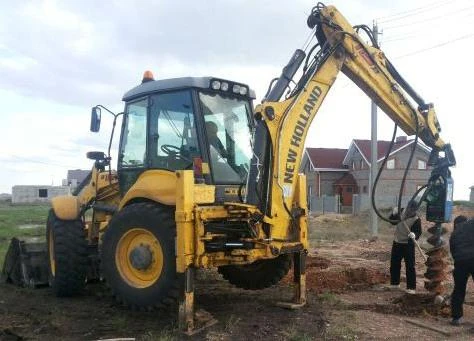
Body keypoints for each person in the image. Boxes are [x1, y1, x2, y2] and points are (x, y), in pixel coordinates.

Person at [388, 207, 422, 294]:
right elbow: (392, 222)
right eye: (409, 209)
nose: (409, 212)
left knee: (410, 266)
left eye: (412, 210)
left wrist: (414, 234)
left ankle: (411, 287)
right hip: (397, 242)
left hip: (408, 245)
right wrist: (394, 214)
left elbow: (418, 232)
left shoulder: (416, 219)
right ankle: (394, 283)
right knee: (394, 264)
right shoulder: (401, 212)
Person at [449, 215, 473, 326]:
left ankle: (456, 318)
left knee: (458, 289)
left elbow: (453, 251)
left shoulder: (454, 233)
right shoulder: (471, 225)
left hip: (460, 262)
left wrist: (459, 261)